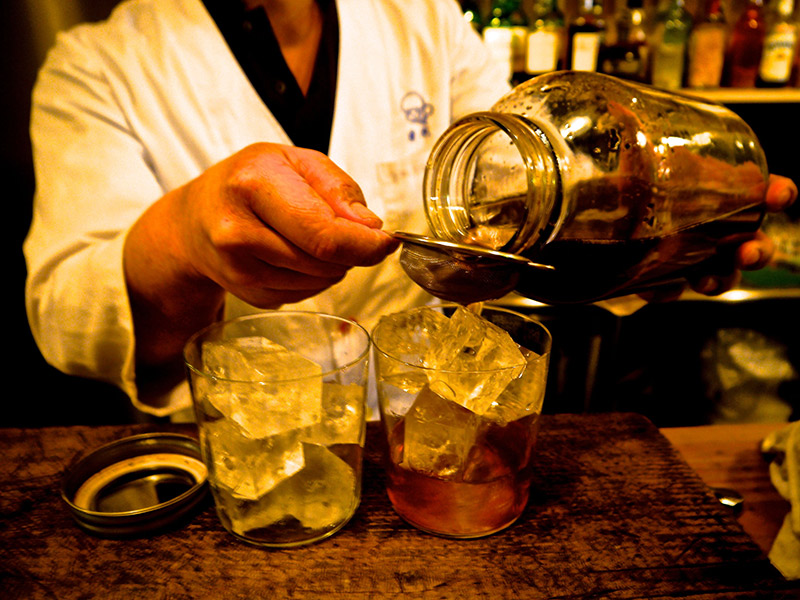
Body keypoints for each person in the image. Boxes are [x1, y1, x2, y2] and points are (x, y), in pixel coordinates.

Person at [24, 0, 797, 419]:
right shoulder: (97, 61)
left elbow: (517, 217)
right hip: (242, 455)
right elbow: (65, 316)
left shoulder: (425, 18)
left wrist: (638, 257)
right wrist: (186, 235)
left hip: (434, 424)